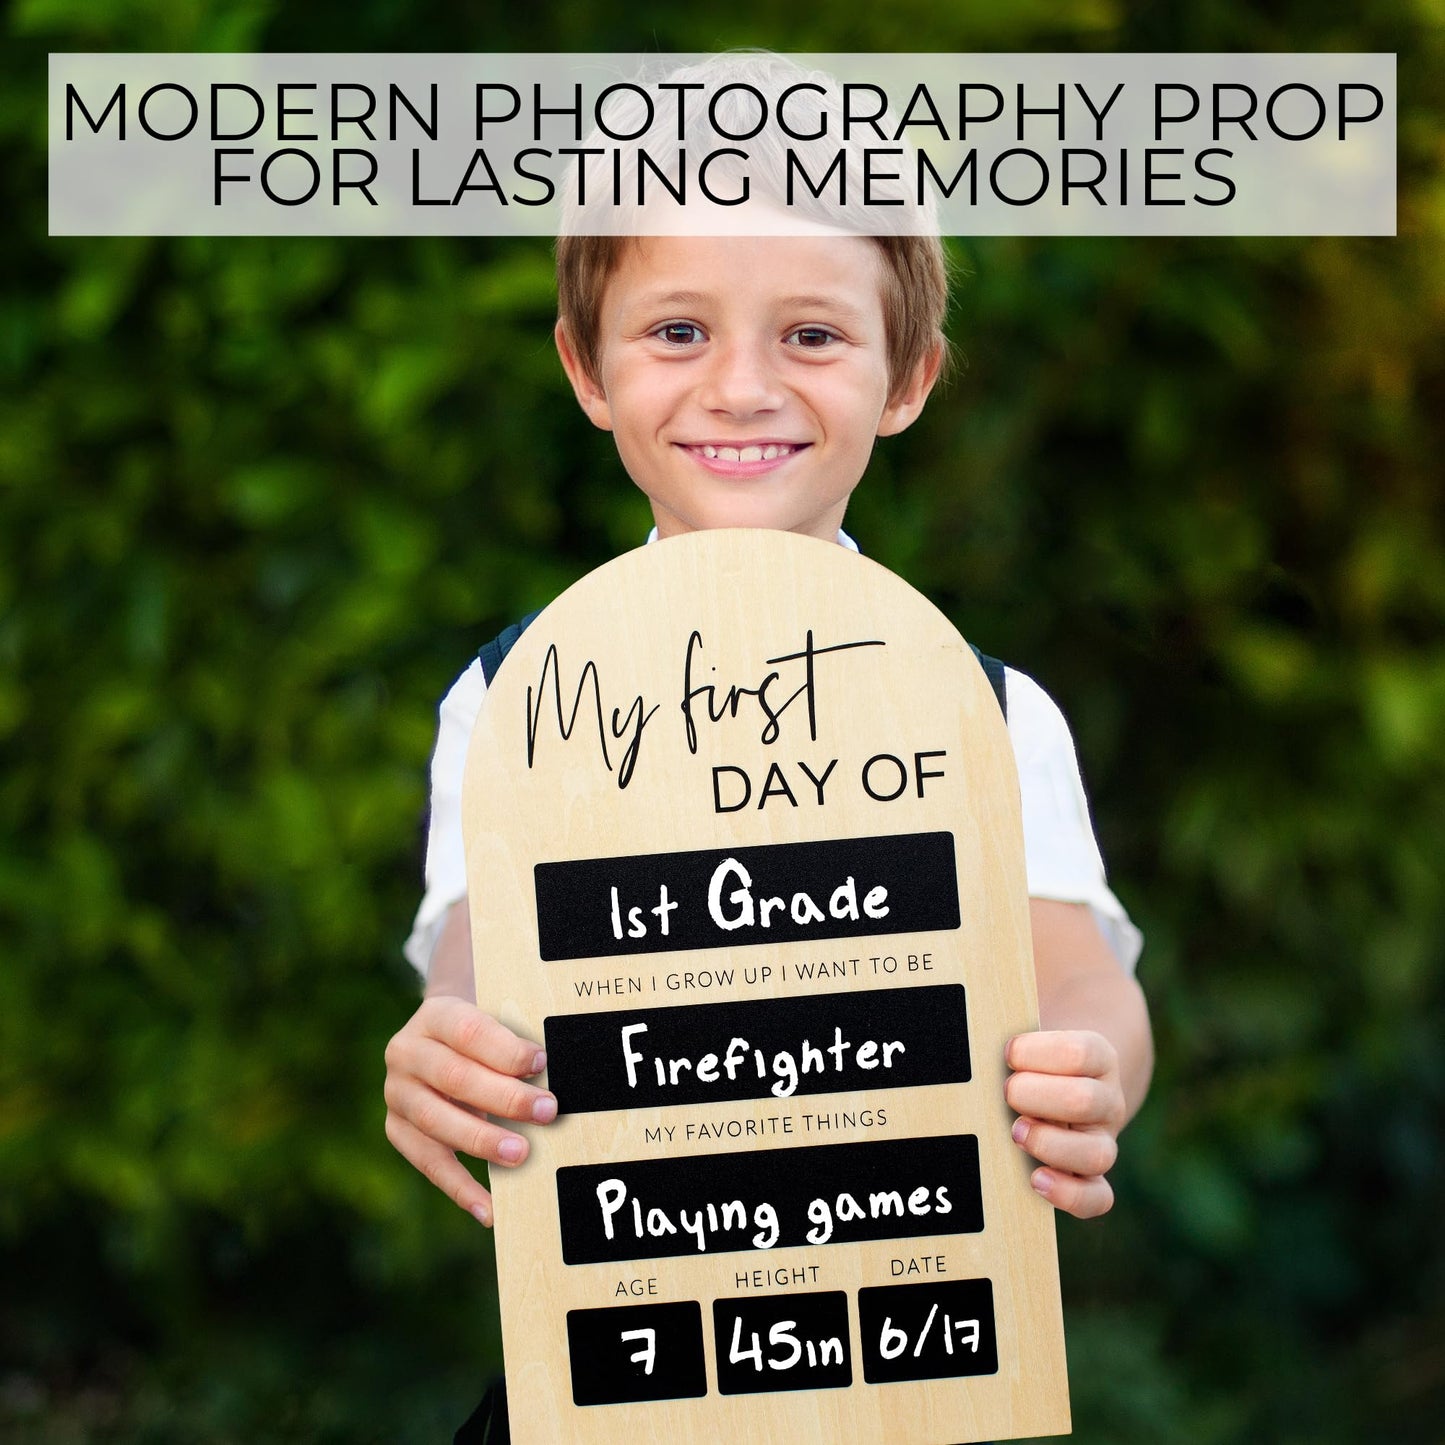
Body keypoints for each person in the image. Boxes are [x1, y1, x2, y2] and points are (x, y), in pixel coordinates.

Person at [383, 54, 1153, 1443]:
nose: (740, 387)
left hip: (909, 1361)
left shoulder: (982, 711)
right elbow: (476, 955)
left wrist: (1091, 1068)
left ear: (907, 377)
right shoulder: (512, 698)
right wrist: (454, 1050)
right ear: (587, 369)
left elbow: (1082, 972)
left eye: (810, 335)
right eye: (677, 330)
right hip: (623, 1364)